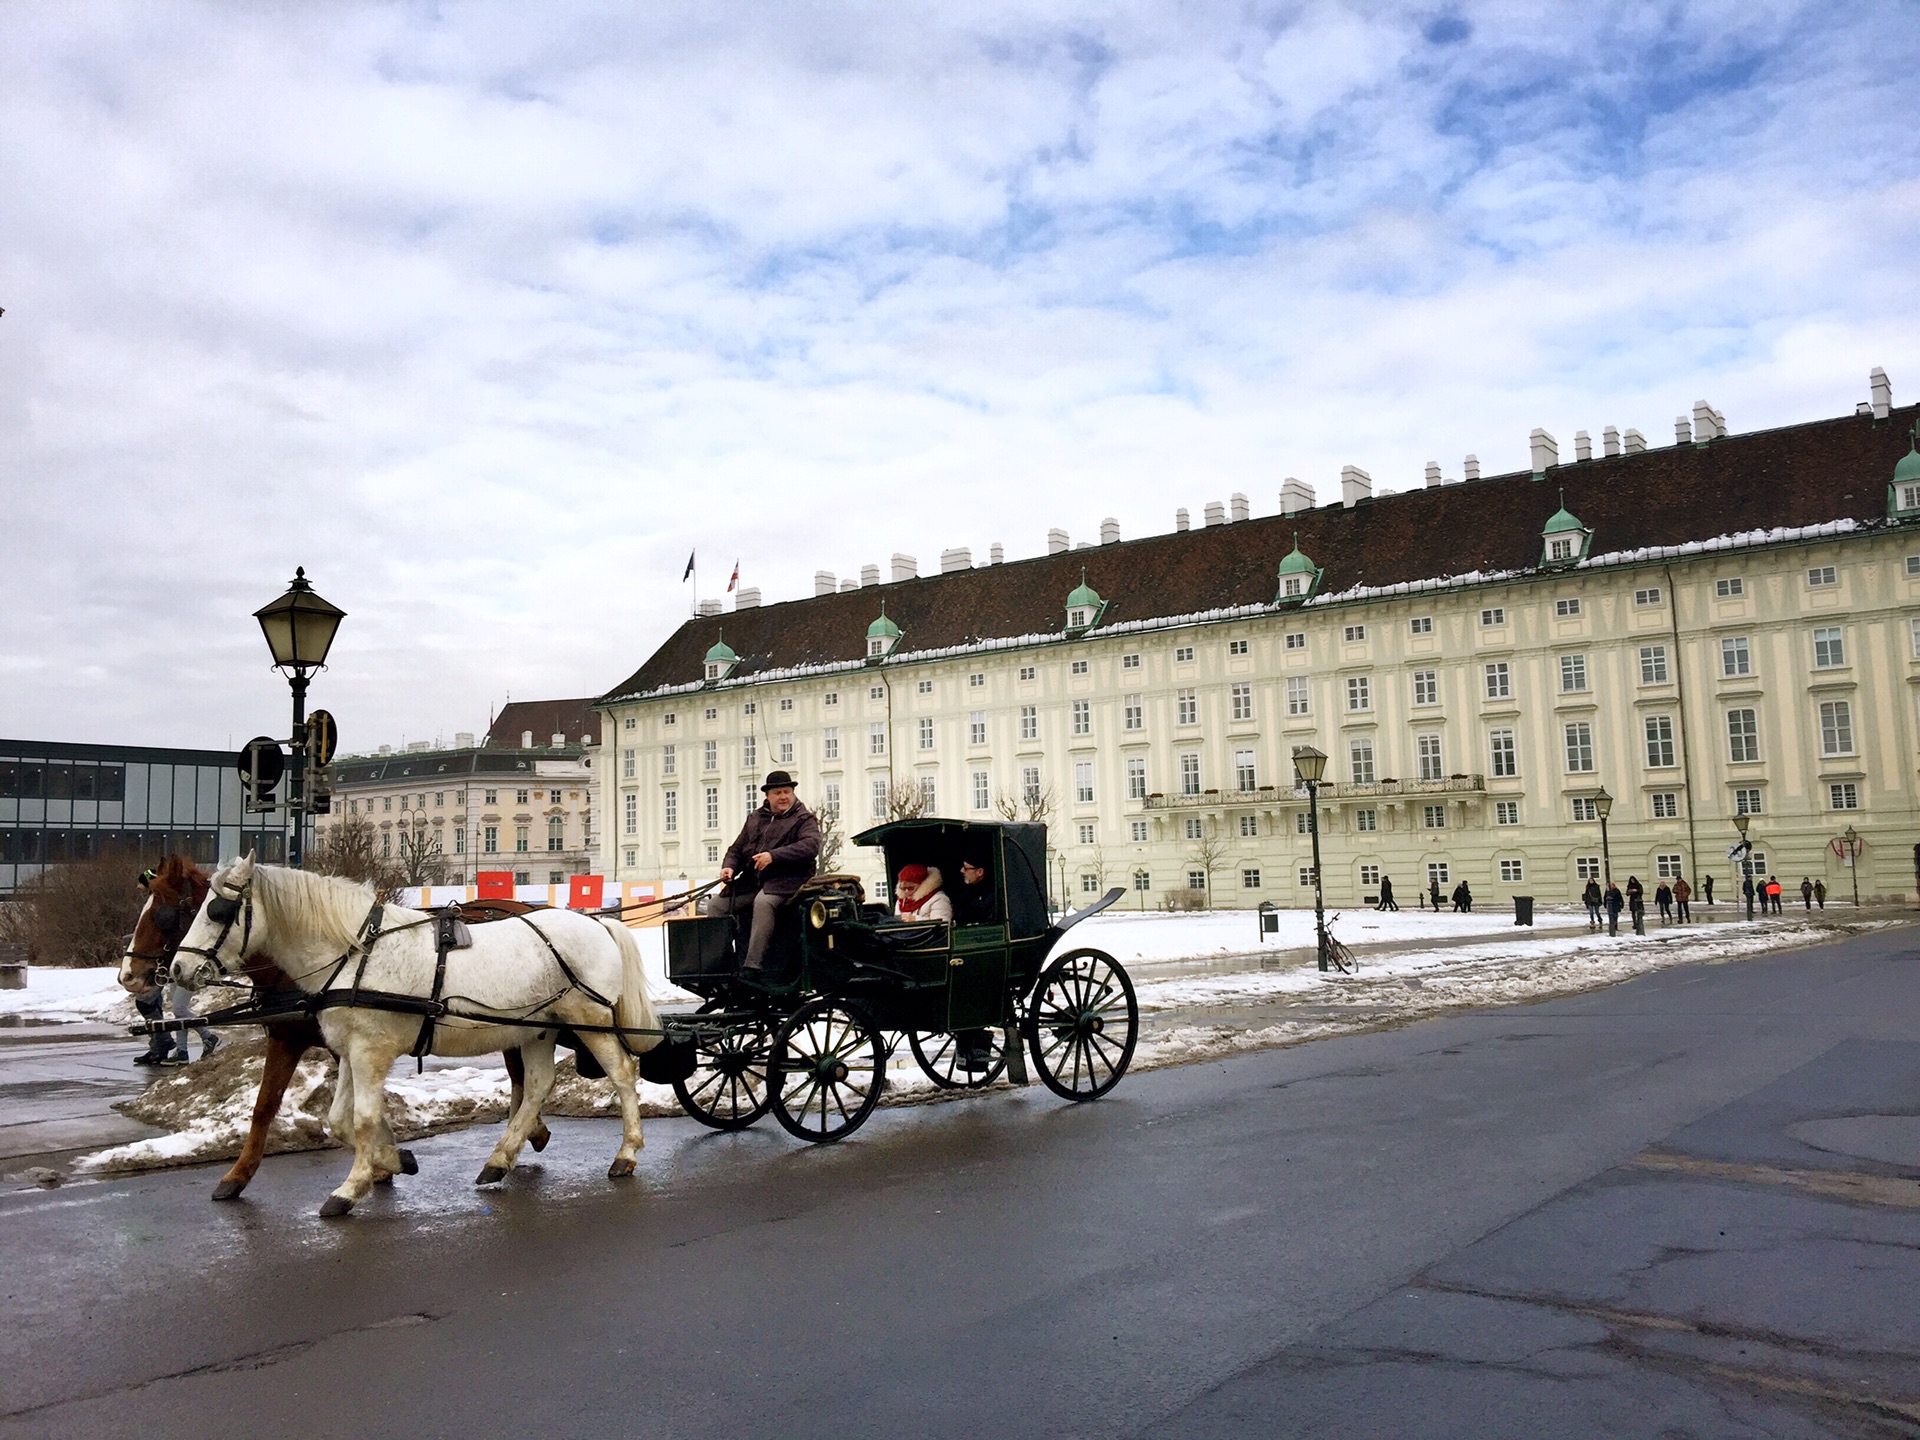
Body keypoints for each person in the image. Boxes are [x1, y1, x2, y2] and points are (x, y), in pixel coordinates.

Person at [702, 770, 822, 974]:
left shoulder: (804, 819)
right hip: (753, 884)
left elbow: (810, 846)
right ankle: (720, 963)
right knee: (716, 905)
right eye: (778, 792)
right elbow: (737, 850)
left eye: (787, 792)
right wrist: (729, 867)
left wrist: (773, 856)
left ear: (793, 793)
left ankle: (752, 965)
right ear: (768, 796)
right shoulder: (755, 818)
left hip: (788, 883)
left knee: (763, 903)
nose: (783, 796)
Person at [954, 854, 995, 925]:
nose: (962, 870)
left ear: (979, 872)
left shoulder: (993, 895)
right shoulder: (966, 895)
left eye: (965, 868)